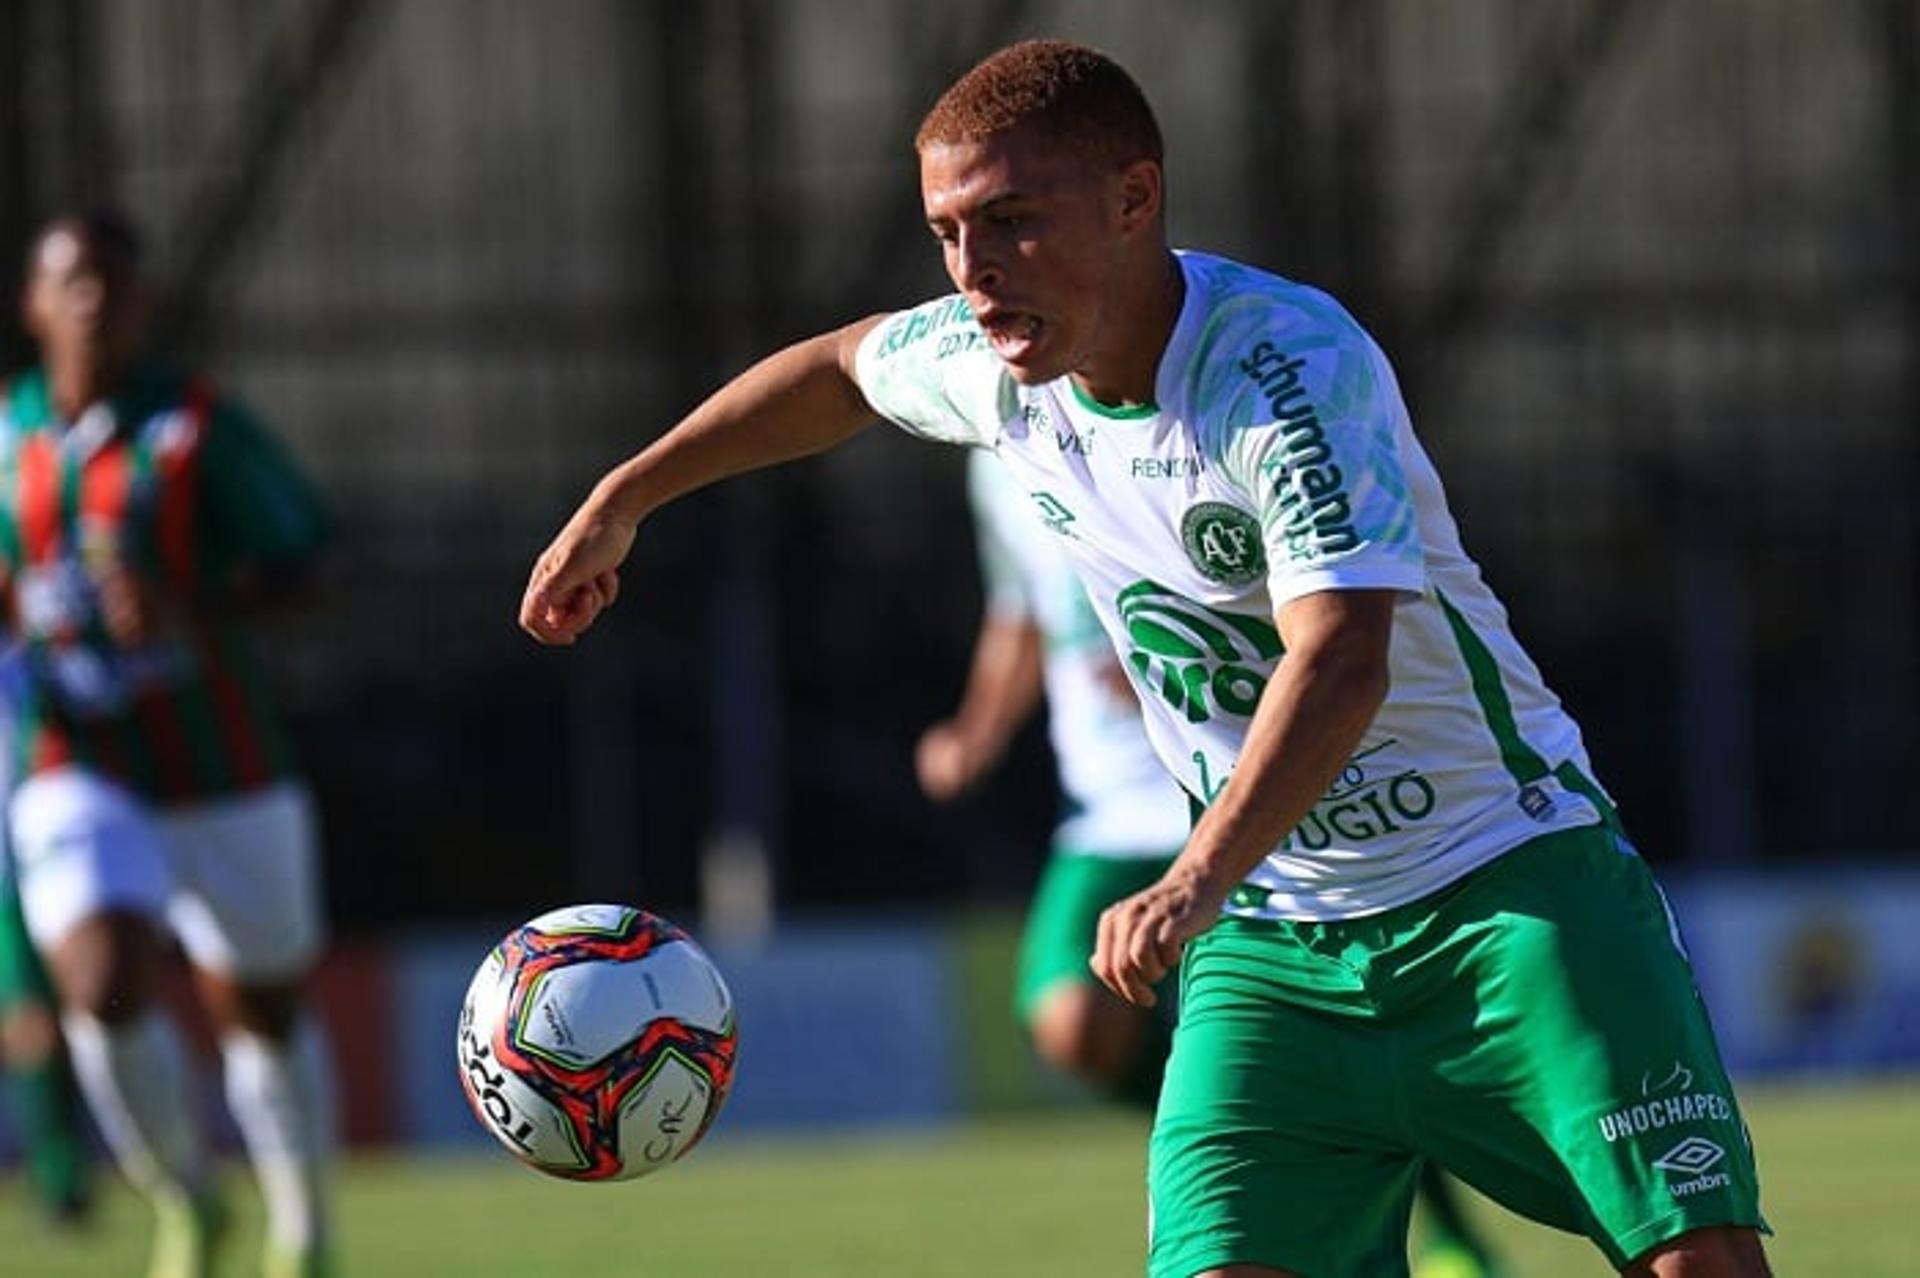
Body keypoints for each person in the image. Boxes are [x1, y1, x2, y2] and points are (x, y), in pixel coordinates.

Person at [520, 39, 1770, 1278]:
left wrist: (1191, 877)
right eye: (949, 233)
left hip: (1506, 888)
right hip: (1277, 949)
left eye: (1010, 221)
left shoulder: (1284, 369)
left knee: (1696, 1265)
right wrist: (627, 498)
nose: (975, 272)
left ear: (1135, 198)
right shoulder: (996, 366)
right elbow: (842, 369)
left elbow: (1340, 659)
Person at [1, 210, 335, 1278]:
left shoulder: (194, 428)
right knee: (101, 982)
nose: (95, 299)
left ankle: (305, 1229)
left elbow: (308, 565)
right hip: (79, 768)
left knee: (263, 1013)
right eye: (74, 280)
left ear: (141, 305)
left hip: (230, 770)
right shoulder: (6, 443)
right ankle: (186, 1198)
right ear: (35, 304)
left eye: (114, 282)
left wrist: (191, 607)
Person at [918, 448, 1188, 1108]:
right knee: (1072, 1024)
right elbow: (1023, 609)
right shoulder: (996, 455)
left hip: (1220, 792)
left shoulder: (1163, 419)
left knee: (1317, 1030)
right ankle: (1214, 1130)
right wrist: (978, 729)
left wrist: (1179, 660)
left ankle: (1401, 1183)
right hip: (1105, 807)